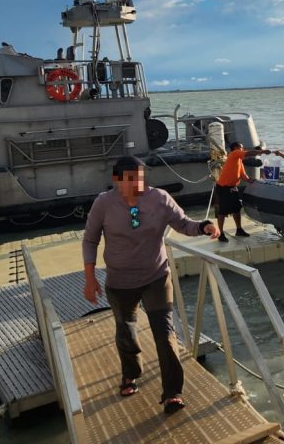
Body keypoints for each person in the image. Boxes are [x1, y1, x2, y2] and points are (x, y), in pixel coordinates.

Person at [81, 156, 220, 415]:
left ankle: (172, 393)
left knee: (165, 333)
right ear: (116, 179)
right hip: (120, 281)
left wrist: (204, 226)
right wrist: (89, 279)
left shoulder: (160, 198)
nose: (138, 184)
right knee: (126, 330)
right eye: (131, 179)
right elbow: (90, 240)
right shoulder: (104, 203)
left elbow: (183, 224)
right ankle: (130, 374)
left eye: (141, 178)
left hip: (156, 276)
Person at [214, 141, 271, 242]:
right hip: (223, 187)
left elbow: (242, 174)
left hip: (233, 187)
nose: (243, 149)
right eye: (241, 147)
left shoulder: (239, 160)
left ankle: (239, 229)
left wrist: (250, 180)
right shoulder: (234, 154)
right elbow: (248, 153)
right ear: (236, 148)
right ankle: (221, 233)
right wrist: (262, 151)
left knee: (236, 209)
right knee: (222, 211)